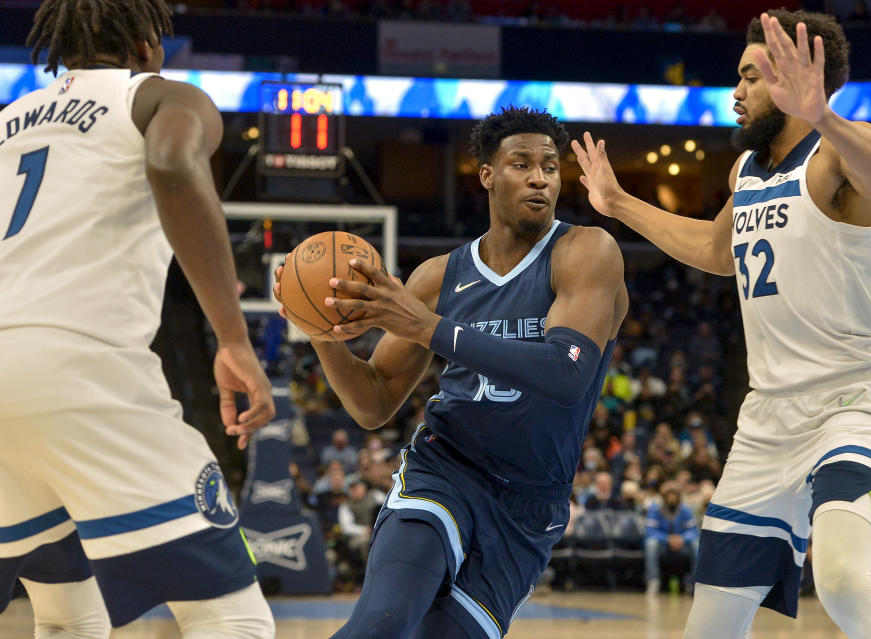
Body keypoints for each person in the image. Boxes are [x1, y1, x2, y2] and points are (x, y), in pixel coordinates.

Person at [574, 9, 871, 639]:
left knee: (843, 582)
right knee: (710, 626)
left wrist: (824, 117)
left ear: (795, 79)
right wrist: (618, 204)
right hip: (768, 420)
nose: (736, 91)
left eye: (751, 77)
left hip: (857, 403)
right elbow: (714, 248)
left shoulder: (838, 154)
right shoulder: (746, 171)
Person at [274, 106, 627, 638]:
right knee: (382, 624)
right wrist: (323, 334)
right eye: (521, 164)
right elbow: (372, 403)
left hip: (527, 506)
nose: (539, 177)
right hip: (444, 469)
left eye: (550, 167)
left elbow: (565, 375)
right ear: (487, 175)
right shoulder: (439, 277)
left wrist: (429, 327)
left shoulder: (585, 251)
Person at [0, 1, 276, 637]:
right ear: (148, 42)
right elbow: (173, 164)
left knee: (68, 617)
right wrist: (232, 338)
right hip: (79, 370)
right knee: (231, 618)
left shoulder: (9, 120)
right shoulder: (159, 97)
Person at [644, 485, 699, 595]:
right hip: (663, 546)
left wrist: (681, 538)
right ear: (664, 498)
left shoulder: (685, 510)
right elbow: (650, 531)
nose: (672, 500)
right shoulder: (655, 509)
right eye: (669, 497)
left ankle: (694, 582)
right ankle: (653, 581)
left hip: (681, 545)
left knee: (696, 544)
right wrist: (667, 539)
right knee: (651, 544)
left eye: (674, 497)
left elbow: (694, 531)